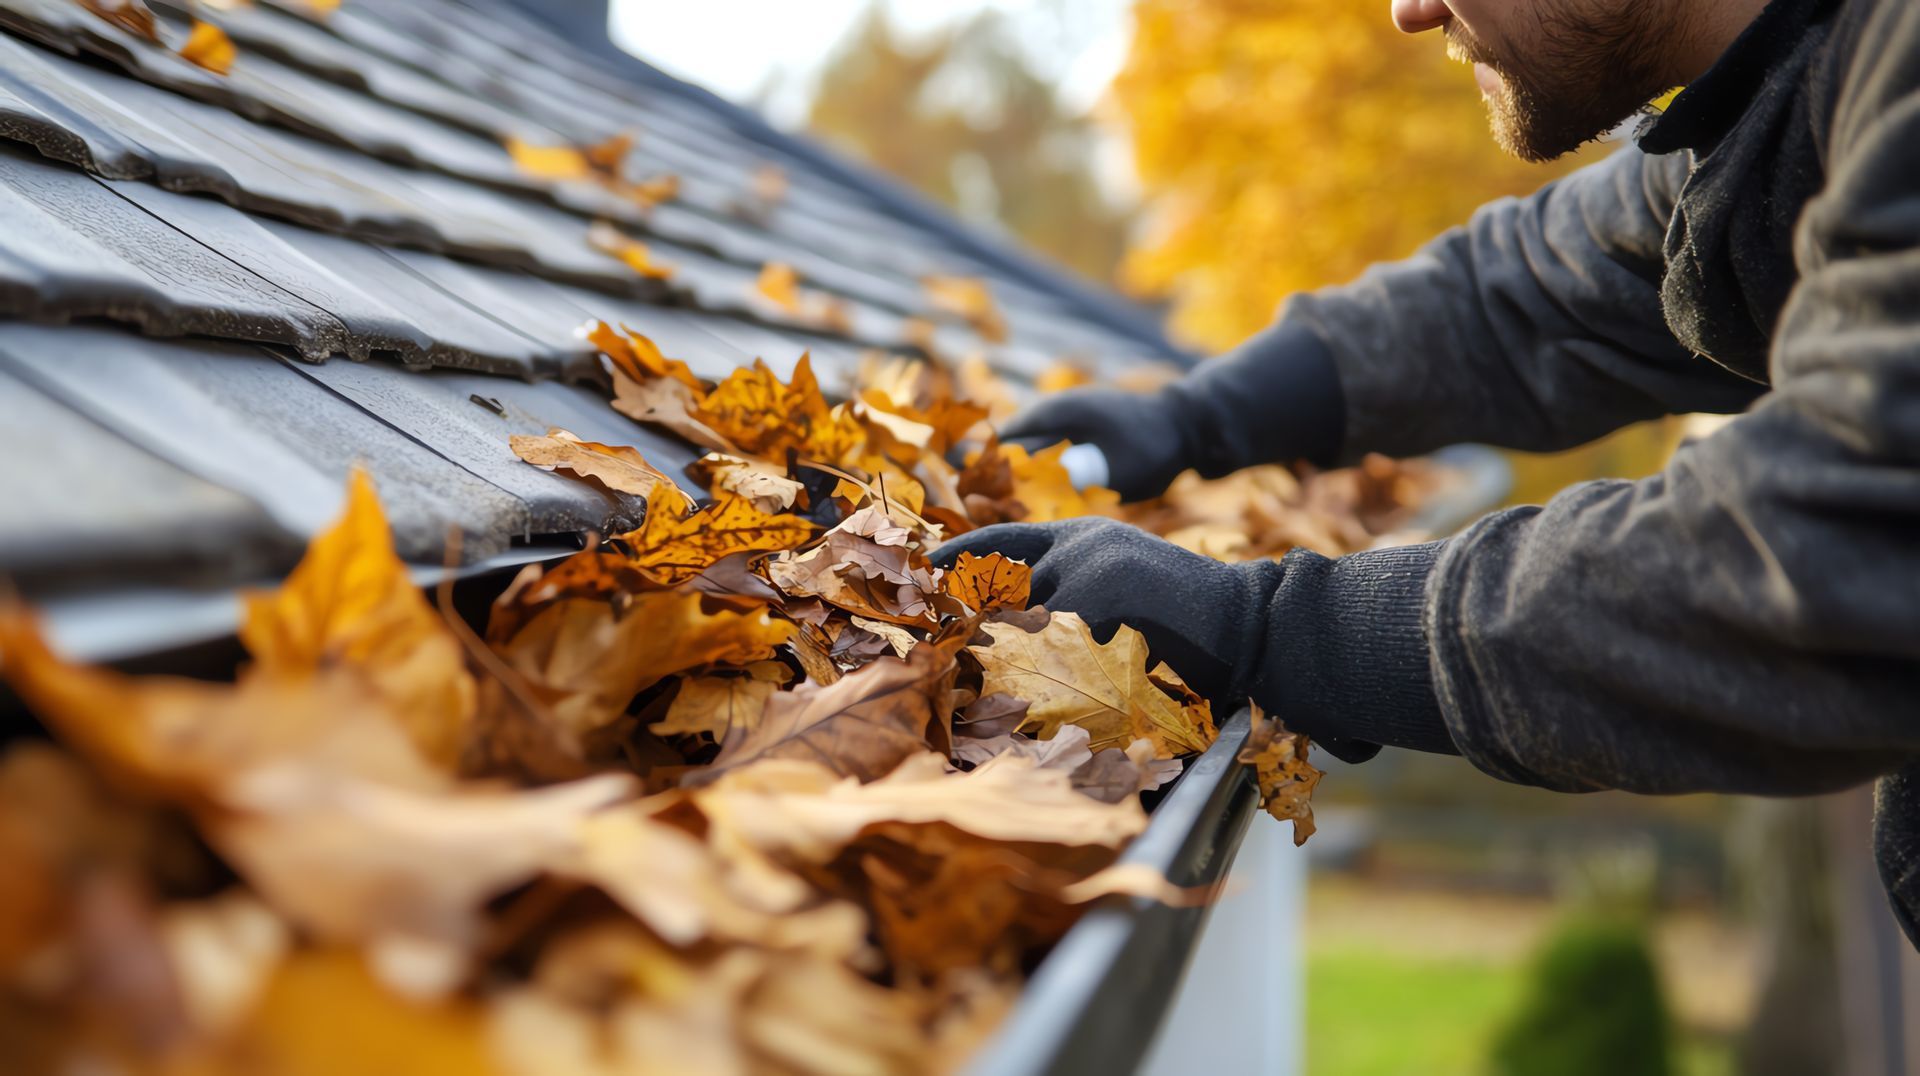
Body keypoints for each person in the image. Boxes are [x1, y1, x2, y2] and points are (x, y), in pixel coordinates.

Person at [934, 0, 1920, 943]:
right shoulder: (1814, 81)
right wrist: (1199, 416)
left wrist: (1275, 627)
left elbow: (1832, 556)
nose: (1409, 10)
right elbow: (1533, 294)